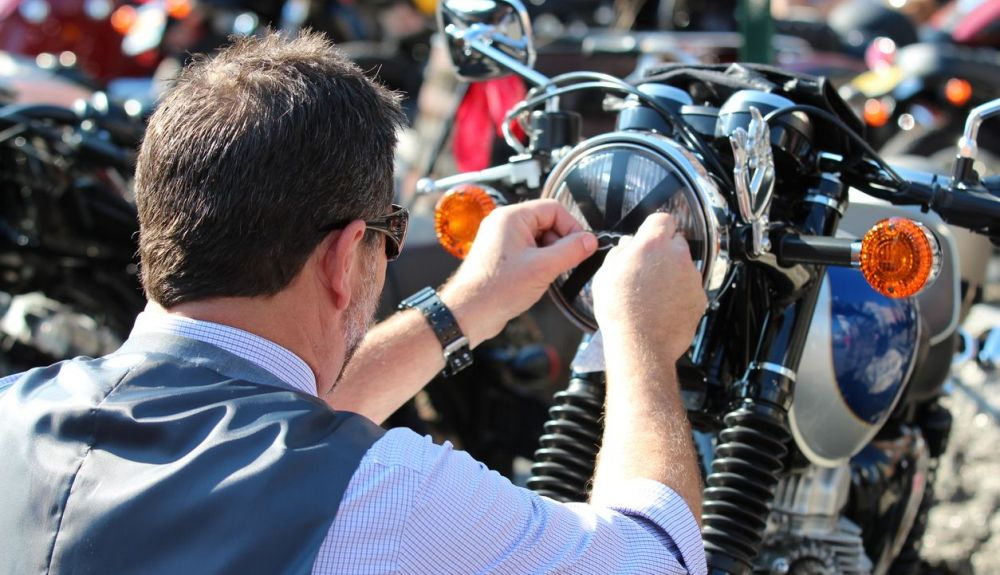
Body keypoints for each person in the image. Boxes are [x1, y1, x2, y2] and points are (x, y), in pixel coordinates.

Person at [0, 32, 708, 574]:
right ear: (345, 257)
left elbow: (274, 423)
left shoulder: (12, 413)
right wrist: (642, 341)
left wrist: (464, 306)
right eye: (389, 236)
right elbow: (660, 559)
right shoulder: (388, 493)